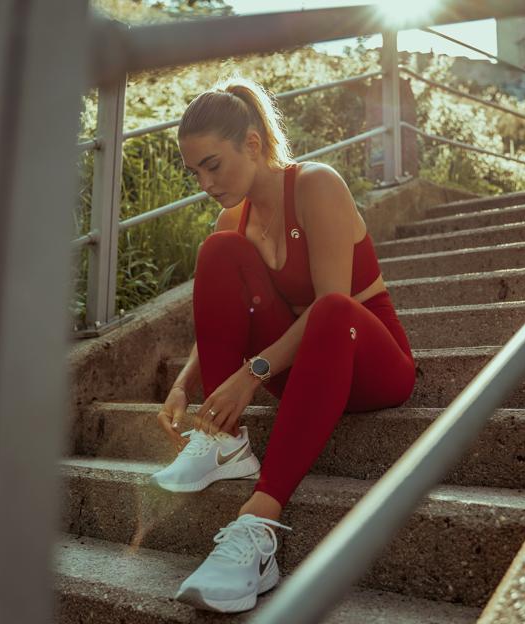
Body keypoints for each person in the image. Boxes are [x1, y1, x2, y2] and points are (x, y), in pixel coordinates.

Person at [152, 76, 416, 613]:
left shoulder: (316, 185)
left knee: (334, 308)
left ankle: (259, 522)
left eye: (213, 164)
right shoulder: (236, 219)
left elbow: (330, 305)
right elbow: (232, 317)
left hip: (369, 361)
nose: (204, 181)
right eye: (194, 170)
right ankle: (221, 440)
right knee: (217, 251)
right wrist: (186, 385)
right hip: (301, 367)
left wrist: (251, 375)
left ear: (252, 143)